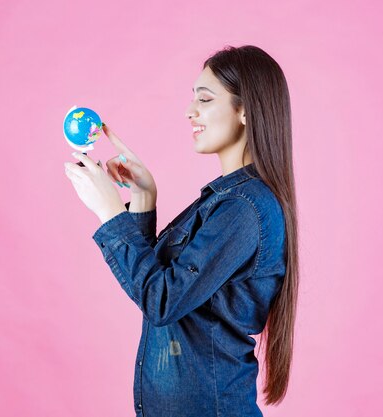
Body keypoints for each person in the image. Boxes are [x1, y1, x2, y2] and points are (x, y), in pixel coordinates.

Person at [64, 44, 299, 417]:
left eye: (204, 100)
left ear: (244, 111)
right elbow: (160, 283)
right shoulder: (225, 200)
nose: (190, 111)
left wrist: (110, 213)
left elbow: (161, 301)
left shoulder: (243, 208)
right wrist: (143, 198)